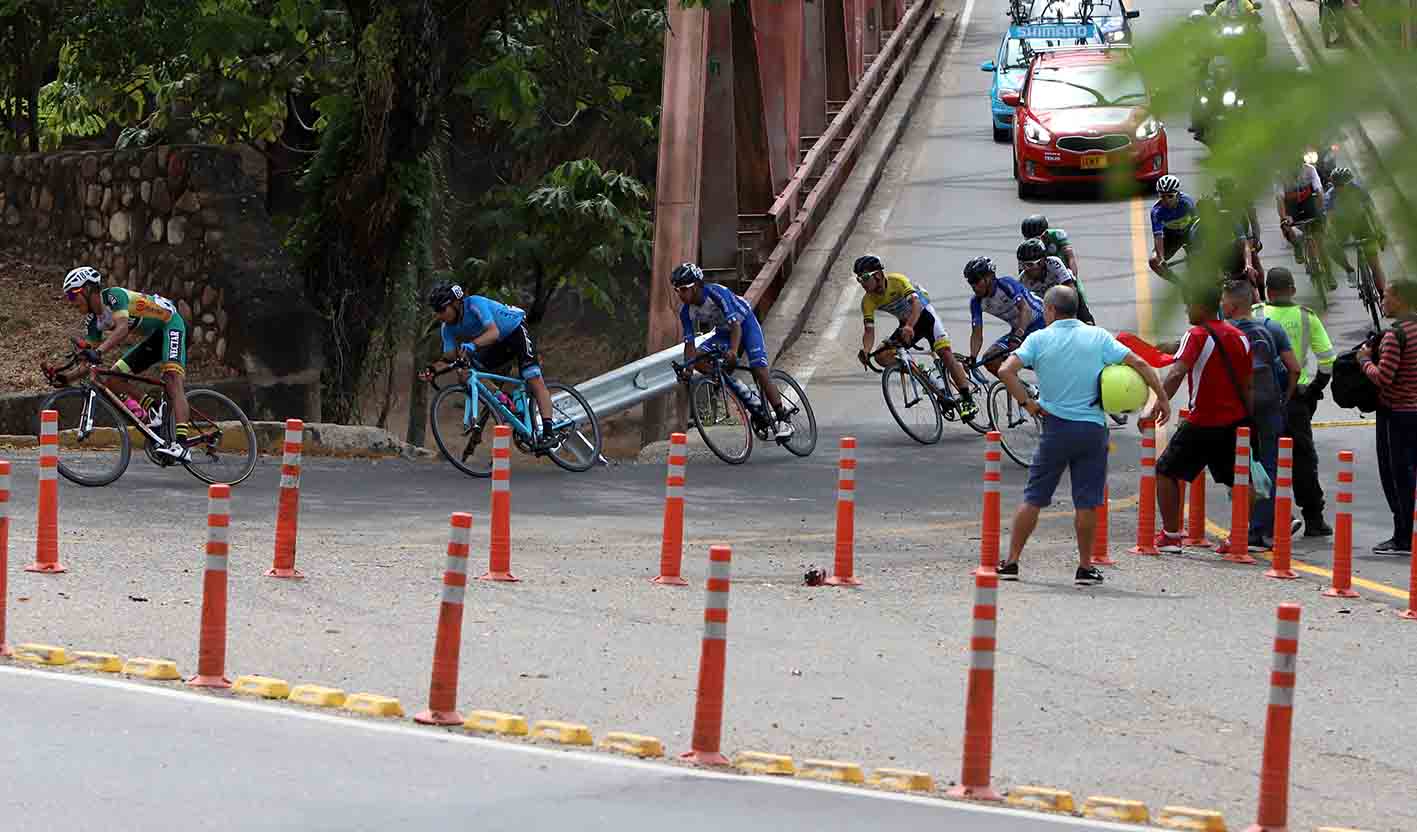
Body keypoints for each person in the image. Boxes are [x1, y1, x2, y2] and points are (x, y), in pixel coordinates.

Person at [996, 286, 1170, 585]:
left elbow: (1005, 371)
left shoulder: (1038, 339)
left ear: (1050, 310)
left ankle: (1012, 562)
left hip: (1055, 428)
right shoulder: (1098, 336)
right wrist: (1162, 398)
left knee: (1034, 497)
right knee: (1087, 501)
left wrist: (1028, 403)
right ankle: (1085, 567)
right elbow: (1140, 363)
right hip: (1091, 429)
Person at [1152, 283, 1252, 552]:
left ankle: (1171, 536)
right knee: (1240, 479)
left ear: (1200, 306)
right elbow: (1246, 383)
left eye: (1188, 305)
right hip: (1235, 421)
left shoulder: (1196, 334)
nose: (1186, 310)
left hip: (1203, 420)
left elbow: (1176, 373)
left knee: (1164, 471)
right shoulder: (1239, 335)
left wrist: (1159, 404)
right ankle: (1241, 538)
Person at [59, 266, 192, 461]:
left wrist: (98, 351)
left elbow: (121, 329)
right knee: (113, 378)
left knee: (173, 379)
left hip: (172, 324)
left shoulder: (114, 297)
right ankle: (154, 410)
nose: (71, 302)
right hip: (155, 336)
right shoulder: (93, 321)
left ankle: (182, 445)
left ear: (87, 290)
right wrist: (64, 378)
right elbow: (88, 362)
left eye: (72, 296)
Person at [419, 283, 560, 445]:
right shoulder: (447, 328)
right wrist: (432, 370)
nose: (439, 315)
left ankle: (549, 432)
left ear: (456, 303)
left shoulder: (474, 304)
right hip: (498, 343)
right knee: (466, 372)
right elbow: (449, 358)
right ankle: (506, 403)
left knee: (533, 377)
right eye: (436, 311)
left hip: (515, 330)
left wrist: (472, 345)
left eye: (442, 310)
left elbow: (493, 332)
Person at [669, 263, 794, 440]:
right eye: (677, 290)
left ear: (696, 286)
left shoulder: (716, 293)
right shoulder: (685, 312)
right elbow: (689, 345)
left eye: (683, 289)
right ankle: (736, 386)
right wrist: (688, 370)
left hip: (744, 324)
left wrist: (733, 352)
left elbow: (735, 326)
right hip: (723, 333)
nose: (680, 294)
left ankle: (783, 417)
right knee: (697, 358)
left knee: (759, 368)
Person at [1253, 267, 1336, 536]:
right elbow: (1327, 360)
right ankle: (1314, 519)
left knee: (1265, 456)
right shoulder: (1306, 316)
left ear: (1267, 291)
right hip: (1297, 399)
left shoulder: (1256, 314)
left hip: (1263, 397)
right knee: (1303, 459)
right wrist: (1313, 390)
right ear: (1293, 289)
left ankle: (1275, 516)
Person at [1222, 279, 1300, 549]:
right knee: (1271, 465)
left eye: (1223, 301)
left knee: (1242, 468)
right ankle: (1268, 528)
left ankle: (1254, 529)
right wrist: (1284, 397)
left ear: (1231, 306)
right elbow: (1294, 368)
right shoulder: (1270, 328)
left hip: (1240, 407)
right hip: (1269, 403)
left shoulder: (1227, 332)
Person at [853, 254, 979, 421]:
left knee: (945, 353)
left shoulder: (897, 281)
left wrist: (909, 326)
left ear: (878, 275)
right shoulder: (867, 301)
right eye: (858, 279)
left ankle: (967, 399)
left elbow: (917, 305)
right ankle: (922, 374)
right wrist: (866, 350)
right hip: (907, 324)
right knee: (881, 356)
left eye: (864, 277)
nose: (862, 282)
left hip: (924, 316)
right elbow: (869, 331)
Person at [1357, 281, 1417, 555]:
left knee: (1399, 477)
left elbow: (1383, 377)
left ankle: (1402, 536)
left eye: (1386, 296)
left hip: (1399, 414)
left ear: (1401, 301)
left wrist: (1364, 360)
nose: (1382, 301)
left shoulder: (1395, 336)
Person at [964, 256, 1045, 377]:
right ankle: (1027, 391)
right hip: (1020, 329)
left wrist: (1018, 335)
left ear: (990, 277)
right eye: (971, 282)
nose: (974, 286)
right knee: (990, 360)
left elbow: (1025, 310)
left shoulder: (1006, 284)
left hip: (1041, 321)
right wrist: (973, 357)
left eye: (976, 280)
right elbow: (977, 333)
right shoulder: (976, 302)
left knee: (1039, 359)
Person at [1324, 166, 1389, 295]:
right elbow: (1329, 220)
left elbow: (1372, 212)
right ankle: (1349, 270)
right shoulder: (1329, 196)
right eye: (1337, 186)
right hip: (1342, 225)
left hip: (1361, 222)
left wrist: (1380, 232)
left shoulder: (1359, 189)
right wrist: (1332, 237)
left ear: (1350, 183)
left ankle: (1384, 294)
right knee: (1329, 246)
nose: (1341, 189)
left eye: (1343, 186)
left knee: (1375, 265)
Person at [1276, 157, 1333, 289]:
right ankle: (1296, 245)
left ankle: (1329, 275)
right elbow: (1279, 199)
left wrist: (1322, 211)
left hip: (1309, 204)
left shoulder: (1310, 170)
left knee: (1320, 242)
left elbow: (1319, 191)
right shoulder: (1279, 175)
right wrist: (1285, 218)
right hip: (1291, 206)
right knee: (1284, 223)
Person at [1016, 238, 1094, 325]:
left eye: (1029, 264)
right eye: (1022, 265)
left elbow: (1070, 289)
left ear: (1042, 261)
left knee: (1074, 296)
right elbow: (1024, 310)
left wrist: (1074, 318)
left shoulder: (1054, 263)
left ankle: (1088, 321)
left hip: (1063, 298)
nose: (1026, 269)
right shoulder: (1022, 281)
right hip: (1046, 309)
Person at [1148, 175, 1200, 279]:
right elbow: (1158, 237)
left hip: (1190, 232)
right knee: (1153, 261)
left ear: (1178, 194)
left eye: (1170, 196)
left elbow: (1198, 223)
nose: (1166, 200)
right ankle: (1181, 285)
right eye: (1162, 196)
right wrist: (1161, 258)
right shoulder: (1156, 212)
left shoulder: (1187, 202)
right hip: (1171, 237)